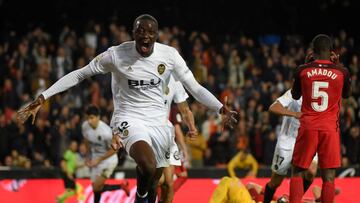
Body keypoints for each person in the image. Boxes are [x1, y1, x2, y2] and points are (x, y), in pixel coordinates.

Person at [17, 14, 237, 203]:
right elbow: (80, 73)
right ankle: (139, 197)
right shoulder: (116, 54)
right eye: (140, 31)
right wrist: (44, 96)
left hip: (160, 124)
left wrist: (220, 108)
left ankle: (144, 196)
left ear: (156, 35)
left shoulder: (169, 56)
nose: (145, 36)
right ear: (133, 32)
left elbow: (195, 88)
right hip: (128, 118)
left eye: (150, 32)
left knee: (156, 184)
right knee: (148, 166)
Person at [289, 34, 351, 203]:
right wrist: (336, 64)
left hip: (308, 126)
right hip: (330, 129)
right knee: (329, 177)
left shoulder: (302, 70)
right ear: (332, 52)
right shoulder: (342, 72)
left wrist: (306, 64)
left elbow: (295, 96)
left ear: (312, 52)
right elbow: (346, 94)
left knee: (298, 171)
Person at [263, 89, 318, 203]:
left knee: (311, 172)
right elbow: (273, 107)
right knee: (275, 182)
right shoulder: (295, 92)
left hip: (307, 140)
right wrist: (295, 114)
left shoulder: (320, 93)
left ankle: (293, 199)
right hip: (288, 140)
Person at [157, 75, 196, 203]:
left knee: (167, 181)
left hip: (165, 142)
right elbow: (178, 131)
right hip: (159, 142)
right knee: (165, 181)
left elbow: (178, 130)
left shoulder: (170, 108)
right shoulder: (171, 108)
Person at [82, 105, 130, 203]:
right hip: (95, 159)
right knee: (96, 188)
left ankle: (121, 186)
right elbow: (86, 140)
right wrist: (87, 157)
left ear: (98, 117)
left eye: (92, 118)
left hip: (109, 160)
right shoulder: (85, 126)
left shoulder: (106, 132)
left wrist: (99, 159)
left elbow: (115, 150)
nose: (89, 121)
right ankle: (121, 186)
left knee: (96, 187)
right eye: (88, 118)